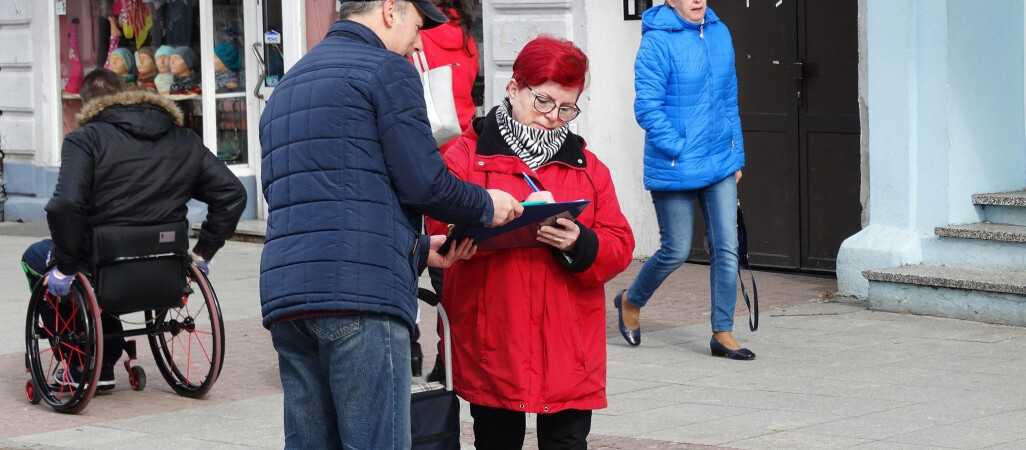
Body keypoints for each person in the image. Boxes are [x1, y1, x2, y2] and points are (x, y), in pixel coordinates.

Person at [257, 1, 523, 448]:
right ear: (389, 10)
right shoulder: (387, 69)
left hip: (290, 300)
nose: (418, 42)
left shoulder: (290, 83)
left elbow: (317, 197)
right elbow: (425, 182)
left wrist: (419, 249)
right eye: (418, 27)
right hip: (361, 300)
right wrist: (485, 203)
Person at [429, 36, 635, 449]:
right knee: (495, 441)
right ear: (513, 87)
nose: (552, 117)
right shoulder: (465, 158)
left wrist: (581, 243)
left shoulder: (589, 169)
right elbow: (436, 224)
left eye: (566, 107)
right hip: (493, 340)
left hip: (568, 344)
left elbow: (619, 244)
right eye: (542, 101)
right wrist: (456, 241)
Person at [23, 68, 247, 389]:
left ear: (86, 105)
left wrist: (65, 265)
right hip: (166, 265)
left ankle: (81, 362)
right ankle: (106, 354)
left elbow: (66, 206)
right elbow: (233, 193)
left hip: (104, 264)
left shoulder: (84, 139)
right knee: (93, 262)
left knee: (36, 255)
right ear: (124, 93)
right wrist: (203, 252)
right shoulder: (183, 138)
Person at [617, 0, 753, 359]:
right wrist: (679, 144)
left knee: (726, 247)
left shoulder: (720, 32)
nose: (698, 0)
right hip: (675, 162)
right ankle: (631, 301)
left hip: (719, 161)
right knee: (675, 250)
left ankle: (722, 332)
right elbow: (647, 106)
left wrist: (735, 154)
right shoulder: (657, 41)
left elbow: (729, 99)